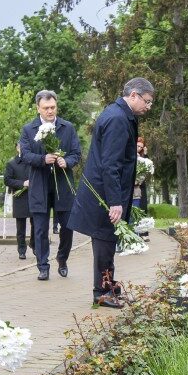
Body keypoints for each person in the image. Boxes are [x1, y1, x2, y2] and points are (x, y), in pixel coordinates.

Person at [68, 78, 154, 308]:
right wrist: (115, 202)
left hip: (106, 191)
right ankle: (102, 292)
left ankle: (108, 286)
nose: (148, 106)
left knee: (107, 241)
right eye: (147, 101)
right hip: (105, 195)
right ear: (134, 95)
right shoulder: (117, 119)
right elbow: (111, 164)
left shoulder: (122, 115)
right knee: (105, 241)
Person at [20, 90, 82, 281]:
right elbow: (25, 154)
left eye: (53, 107)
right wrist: (42, 159)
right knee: (40, 229)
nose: (50, 111)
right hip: (39, 185)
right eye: (46, 108)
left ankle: (62, 259)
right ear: (38, 107)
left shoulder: (67, 127)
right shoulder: (28, 129)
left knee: (67, 227)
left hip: (62, 184)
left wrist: (67, 162)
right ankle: (43, 266)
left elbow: (76, 153)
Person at [4, 142, 34, 259]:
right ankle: (22, 250)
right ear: (17, 148)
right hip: (19, 197)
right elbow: (7, 180)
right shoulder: (11, 164)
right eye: (20, 146)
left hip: (33, 197)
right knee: (21, 227)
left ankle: (34, 244)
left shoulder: (32, 162)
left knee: (36, 224)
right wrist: (23, 183)